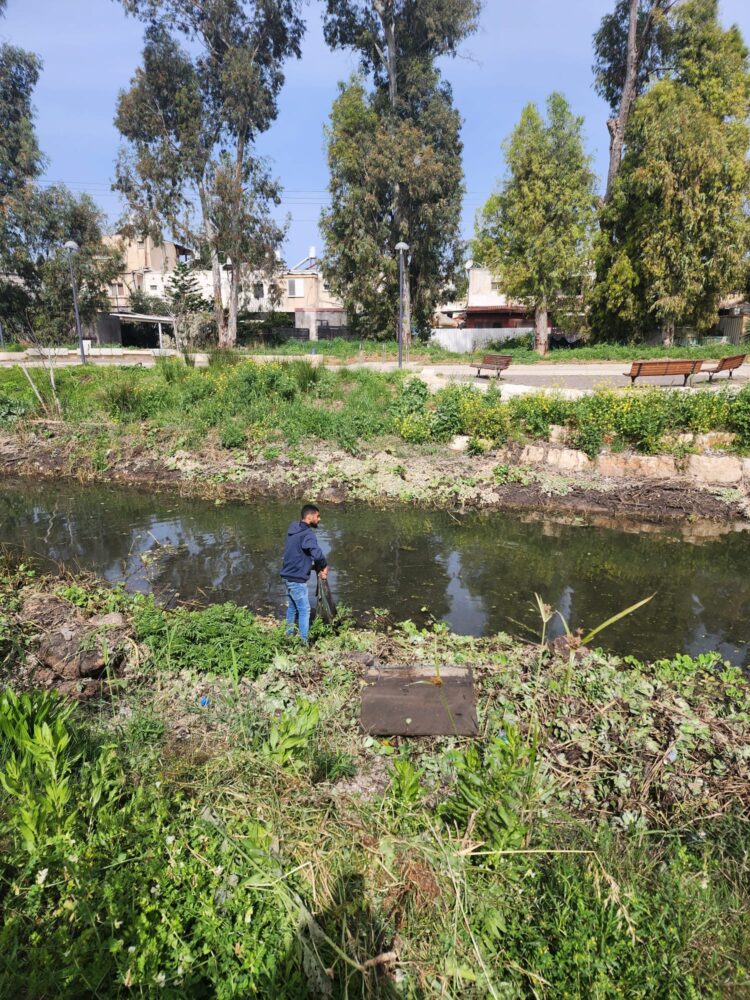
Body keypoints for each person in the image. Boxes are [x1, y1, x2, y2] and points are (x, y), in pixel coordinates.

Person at [280, 503, 328, 642]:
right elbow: (317, 553)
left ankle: (288, 636)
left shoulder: (293, 531)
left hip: (288, 576)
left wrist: (313, 567)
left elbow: (298, 556)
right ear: (310, 516)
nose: (319, 519)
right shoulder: (307, 534)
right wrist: (324, 565)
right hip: (296, 579)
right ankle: (303, 643)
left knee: (293, 608)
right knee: (305, 610)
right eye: (318, 516)